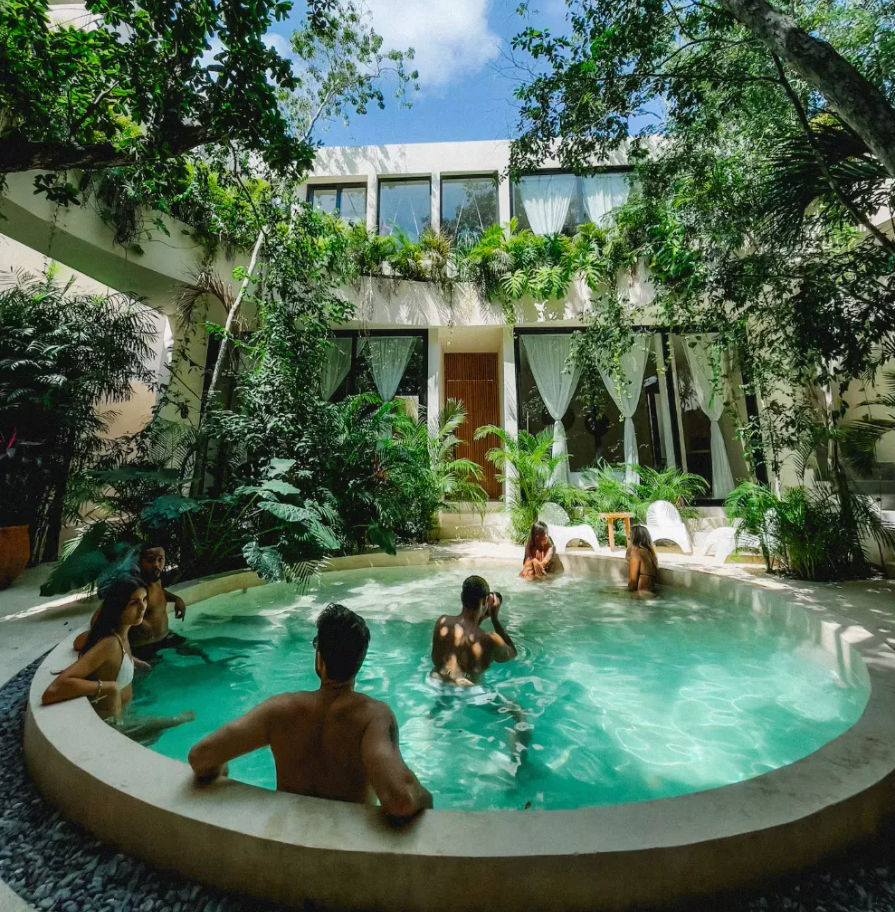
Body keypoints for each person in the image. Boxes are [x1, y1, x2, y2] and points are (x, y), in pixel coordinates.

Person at [188, 603, 433, 819]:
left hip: (284, 838)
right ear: (359, 663)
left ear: (319, 660)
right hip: (345, 849)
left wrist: (221, 768)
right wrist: (424, 797)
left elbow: (201, 756)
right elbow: (401, 800)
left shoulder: (280, 710)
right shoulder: (372, 718)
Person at [44, 575, 150, 720]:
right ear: (118, 606)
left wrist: (132, 661)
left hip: (126, 715)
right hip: (115, 725)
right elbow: (52, 691)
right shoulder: (110, 644)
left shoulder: (122, 635)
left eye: (144, 600)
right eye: (134, 603)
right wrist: (107, 687)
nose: (143, 608)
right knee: (182, 720)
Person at [430, 575, 517, 686]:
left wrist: (480, 614)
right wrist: (495, 619)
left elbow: (436, 660)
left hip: (436, 682)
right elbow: (512, 654)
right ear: (485, 601)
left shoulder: (442, 622)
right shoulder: (489, 639)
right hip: (467, 692)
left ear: (462, 597)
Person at [626, 524, 658, 595]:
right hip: (649, 593)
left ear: (634, 538)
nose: (628, 538)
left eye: (630, 536)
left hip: (641, 595)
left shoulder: (636, 553)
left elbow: (633, 582)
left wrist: (627, 595)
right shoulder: (650, 553)